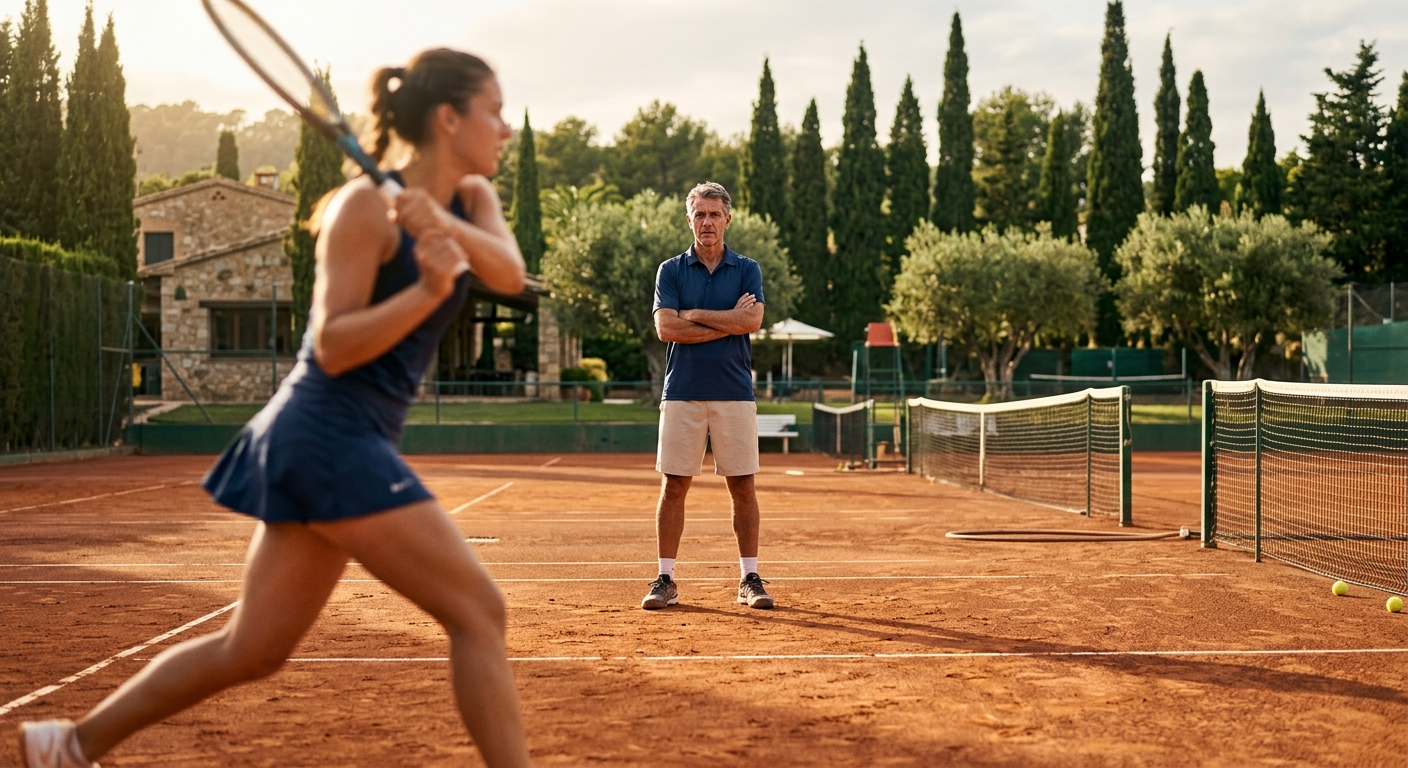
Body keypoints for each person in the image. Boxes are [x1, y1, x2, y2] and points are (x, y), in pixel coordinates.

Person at [18, 49, 534, 768]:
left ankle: (68, 745)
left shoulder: (472, 199)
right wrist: (424, 290)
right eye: (494, 111)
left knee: (254, 647)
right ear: (449, 119)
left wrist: (446, 233)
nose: (506, 128)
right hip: (328, 433)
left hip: (344, 441)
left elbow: (509, 272)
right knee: (479, 611)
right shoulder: (361, 208)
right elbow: (333, 347)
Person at [642, 181, 774, 612]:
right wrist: (728, 320)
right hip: (682, 391)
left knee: (743, 486)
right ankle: (665, 579)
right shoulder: (670, 270)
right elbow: (666, 328)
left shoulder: (747, 269)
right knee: (673, 486)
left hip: (734, 392)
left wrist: (695, 315)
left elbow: (751, 322)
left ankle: (749, 578)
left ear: (727, 219)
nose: (707, 222)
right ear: (689, 220)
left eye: (714, 214)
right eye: (699, 214)